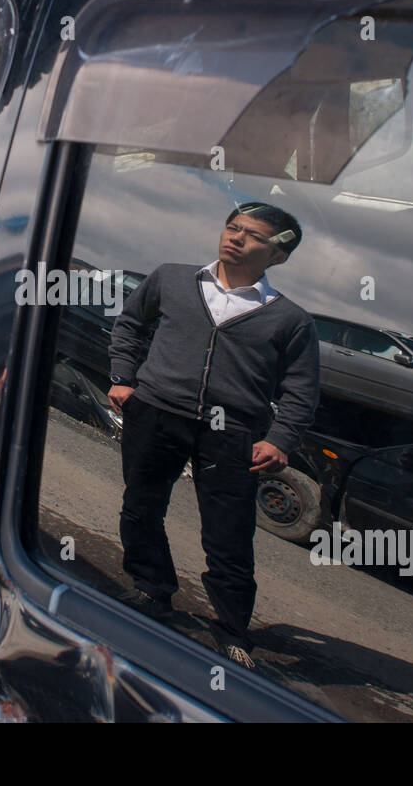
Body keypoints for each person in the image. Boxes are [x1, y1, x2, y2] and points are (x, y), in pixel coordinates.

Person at [107, 202, 320, 669]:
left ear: (278, 255)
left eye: (252, 235)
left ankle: (231, 631)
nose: (236, 237)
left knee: (228, 537)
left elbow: (302, 389)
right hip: (157, 412)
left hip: (232, 435)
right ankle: (152, 589)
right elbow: (130, 324)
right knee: (141, 507)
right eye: (232, 227)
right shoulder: (172, 278)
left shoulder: (291, 320)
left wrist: (281, 439)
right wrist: (124, 376)